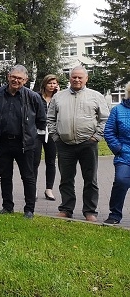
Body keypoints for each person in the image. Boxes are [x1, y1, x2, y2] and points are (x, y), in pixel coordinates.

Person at [46, 66, 110, 222]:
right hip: (64, 144)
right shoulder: (59, 97)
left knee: (90, 179)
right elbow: (50, 118)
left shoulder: (95, 96)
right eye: (74, 77)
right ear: (69, 78)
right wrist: (55, 136)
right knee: (66, 179)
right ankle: (66, 209)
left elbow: (105, 119)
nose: (77, 79)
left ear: (86, 79)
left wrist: (96, 137)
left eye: (80, 77)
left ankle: (90, 211)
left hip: (88, 144)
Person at [0, 65, 47, 219]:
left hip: (25, 143)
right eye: (13, 77)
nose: (16, 80)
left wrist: (32, 135)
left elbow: (41, 120)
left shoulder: (33, 97)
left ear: (25, 80)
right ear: (8, 76)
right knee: (5, 176)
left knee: (28, 177)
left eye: (19, 78)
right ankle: (7, 207)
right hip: (2, 142)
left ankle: (29, 210)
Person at [103, 82, 130, 225]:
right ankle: (114, 214)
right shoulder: (118, 110)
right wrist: (118, 148)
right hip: (124, 155)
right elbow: (109, 132)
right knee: (121, 181)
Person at [34, 75, 60, 201]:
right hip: (37, 133)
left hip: (52, 134)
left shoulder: (59, 98)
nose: (52, 85)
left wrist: (59, 95)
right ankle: (32, 189)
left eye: (54, 83)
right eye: (50, 83)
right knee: (35, 161)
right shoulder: (36, 97)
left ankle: (49, 189)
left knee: (51, 161)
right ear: (44, 84)